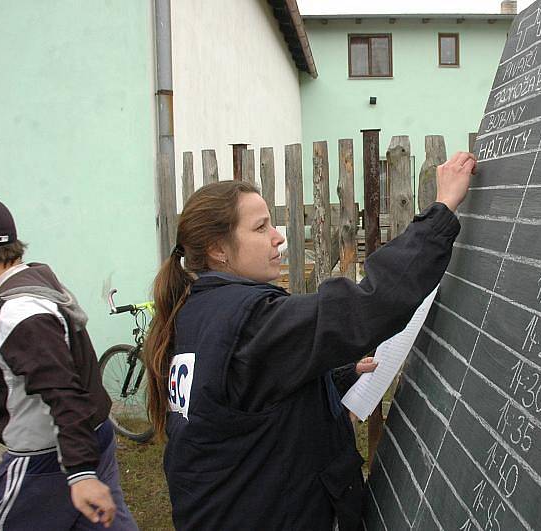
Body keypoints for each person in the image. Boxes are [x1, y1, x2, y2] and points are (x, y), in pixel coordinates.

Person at [144, 151, 476, 530]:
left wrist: (333, 378)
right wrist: (443, 209)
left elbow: (241, 401)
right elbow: (369, 305)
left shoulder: (195, 311)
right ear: (218, 250)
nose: (277, 238)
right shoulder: (248, 322)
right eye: (260, 228)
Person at [0, 198, 137, 530]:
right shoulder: (37, 282)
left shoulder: (21, 313)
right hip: (92, 434)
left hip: (48, 455)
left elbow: (63, 392)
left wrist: (80, 472)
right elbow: (40, 368)